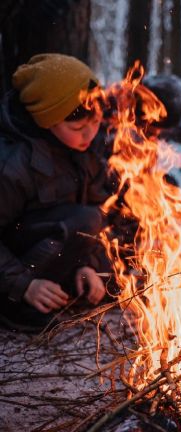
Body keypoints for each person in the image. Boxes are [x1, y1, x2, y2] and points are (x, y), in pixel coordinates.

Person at [0, 54, 108, 332]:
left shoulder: (85, 151)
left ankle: (65, 284)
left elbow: (94, 206)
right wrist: (24, 286)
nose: (89, 135)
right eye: (77, 128)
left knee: (99, 231)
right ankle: (14, 306)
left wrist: (87, 265)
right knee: (83, 220)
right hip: (12, 265)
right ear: (46, 121)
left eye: (95, 123)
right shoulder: (14, 164)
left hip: (47, 249)